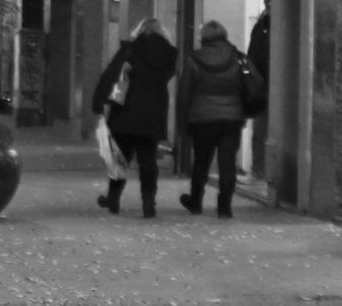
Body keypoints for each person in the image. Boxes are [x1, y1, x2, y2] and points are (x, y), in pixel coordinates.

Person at [91, 17, 179, 217]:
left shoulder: (129, 50)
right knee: (148, 160)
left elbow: (111, 75)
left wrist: (99, 100)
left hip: (126, 111)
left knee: (120, 159)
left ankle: (113, 198)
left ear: (139, 31)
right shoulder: (168, 55)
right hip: (153, 112)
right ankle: (149, 203)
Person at [175, 20, 248, 218]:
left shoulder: (194, 59)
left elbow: (184, 93)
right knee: (227, 163)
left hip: (203, 118)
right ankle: (225, 207)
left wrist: (183, 124)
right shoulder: (238, 58)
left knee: (201, 161)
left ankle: (196, 201)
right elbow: (248, 84)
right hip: (231, 117)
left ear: (204, 37)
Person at [247, 0, 271, 82]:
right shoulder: (260, 25)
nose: (268, 4)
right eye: (266, 1)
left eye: (269, 1)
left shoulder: (261, 25)